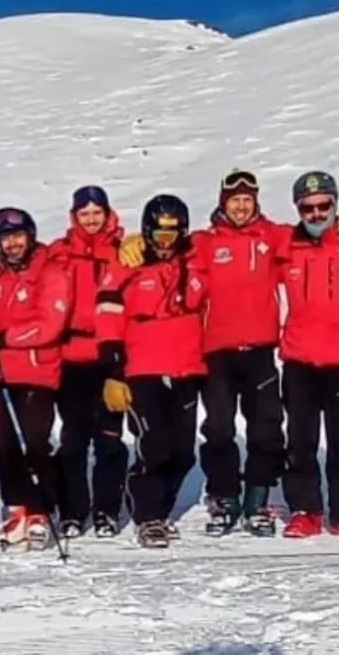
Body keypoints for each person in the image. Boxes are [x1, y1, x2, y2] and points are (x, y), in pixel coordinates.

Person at [120, 169, 339, 536]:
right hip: (217, 353)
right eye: (234, 199)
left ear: (256, 201)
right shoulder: (203, 242)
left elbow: (321, 238)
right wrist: (136, 239)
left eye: (247, 199)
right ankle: (225, 498)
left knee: (266, 429)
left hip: (260, 351)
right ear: (223, 202)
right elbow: (168, 246)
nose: (240, 206)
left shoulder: (275, 236)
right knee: (218, 428)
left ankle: (258, 500)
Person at [97, 195, 207, 547]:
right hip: (142, 369)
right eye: (158, 235)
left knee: (183, 452)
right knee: (154, 445)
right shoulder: (126, 266)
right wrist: (114, 371)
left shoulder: (195, 261)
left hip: (187, 368)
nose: (165, 243)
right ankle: (149, 516)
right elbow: (108, 319)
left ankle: (160, 505)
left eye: (172, 235)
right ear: (146, 233)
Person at [275, 173, 339, 539]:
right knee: (300, 438)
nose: (316, 214)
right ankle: (305, 509)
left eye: (324, 205)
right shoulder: (287, 245)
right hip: (299, 360)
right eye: (307, 207)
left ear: (335, 203)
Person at [0, 207, 70, 549]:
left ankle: (41, 509)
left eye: (18, 236)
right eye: (5, 238)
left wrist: (7, 338)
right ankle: (18, 509)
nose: (13, 243)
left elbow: (50, 324)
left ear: (30, 235)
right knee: (3, 448)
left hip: (37, 373)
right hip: (2, 375)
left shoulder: (51, 272)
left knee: (34, 444)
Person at [47, 185, 127, 539]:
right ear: (74, 216)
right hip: (70, 357)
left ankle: (107, 510)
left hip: (110, 355)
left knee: (109, 437)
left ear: (107, 214)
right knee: (74, 439)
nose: (92, 220)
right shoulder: (59, 252)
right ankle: (73, 511)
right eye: (85, 214)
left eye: (97, 213)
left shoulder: (124, 250)